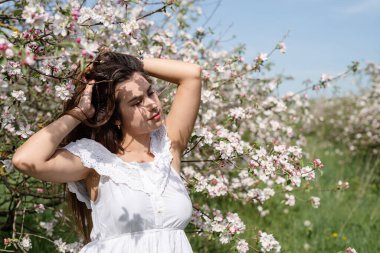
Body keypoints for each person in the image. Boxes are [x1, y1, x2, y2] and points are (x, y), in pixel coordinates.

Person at [12, 50, 202, 252]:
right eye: (136, 102)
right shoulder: (96, 160)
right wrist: (78, 114)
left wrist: (125, 63)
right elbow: (25, 160)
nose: (152, 104)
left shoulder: (167, 148)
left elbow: (192, 74)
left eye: (150, 92)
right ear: (116, 118)